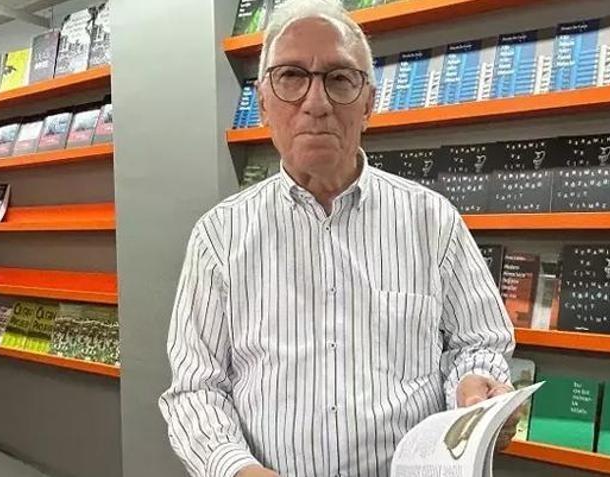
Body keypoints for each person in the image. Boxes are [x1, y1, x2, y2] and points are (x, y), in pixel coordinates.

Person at [159, 0, 515, 475]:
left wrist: (476, 385)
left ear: (368, 103)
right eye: (291, 77)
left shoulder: (432, 221)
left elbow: (479, 343)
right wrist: (237, 469)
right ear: (263, 103)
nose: (316, 102)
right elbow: (196, 389)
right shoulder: (219, 237)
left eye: (340, 78)